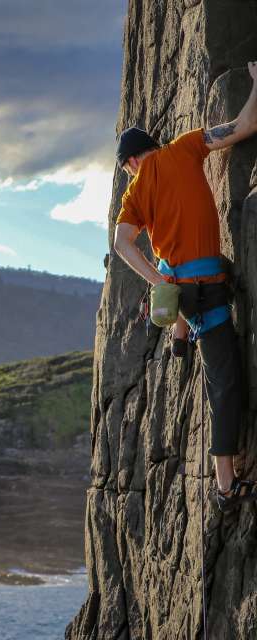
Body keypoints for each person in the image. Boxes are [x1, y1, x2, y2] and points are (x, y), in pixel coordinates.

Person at [113, 60, 257, 513]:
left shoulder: (135, 192)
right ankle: (225, 484)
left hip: (186, 293)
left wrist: (159, 283)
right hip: (207, 286)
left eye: (127, 168)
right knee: (224, 385)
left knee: (165, 268)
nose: (130, 175)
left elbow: (120, 244)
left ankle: (177, 334)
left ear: (132, 161)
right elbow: (246, 124)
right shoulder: (188, 145)